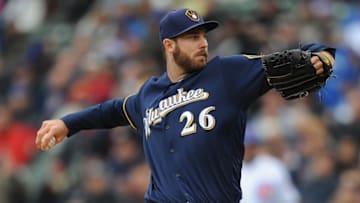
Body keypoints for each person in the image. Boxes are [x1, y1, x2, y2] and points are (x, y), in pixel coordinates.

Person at [35, 8, 336, 203]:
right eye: (192, 37)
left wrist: (323, 55)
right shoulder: (148, 95)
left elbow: (293, 56)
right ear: (169, 45)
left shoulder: (227, 74)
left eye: (203, 35)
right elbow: (113, 110)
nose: (203, 43)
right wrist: (68, 123)